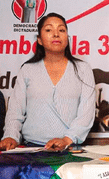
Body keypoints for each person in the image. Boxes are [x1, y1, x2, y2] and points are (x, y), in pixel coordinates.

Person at [0, 13, 95, 151]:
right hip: (30, 149)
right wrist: (10, 136)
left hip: (69, 149)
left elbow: (86, 114)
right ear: (39, 39)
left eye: (61, 30)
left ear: (67, 39)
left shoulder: (83, 69)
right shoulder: (27, 69)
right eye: (49, 30)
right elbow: (15, 111)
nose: (56, 34)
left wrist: (66, 140)